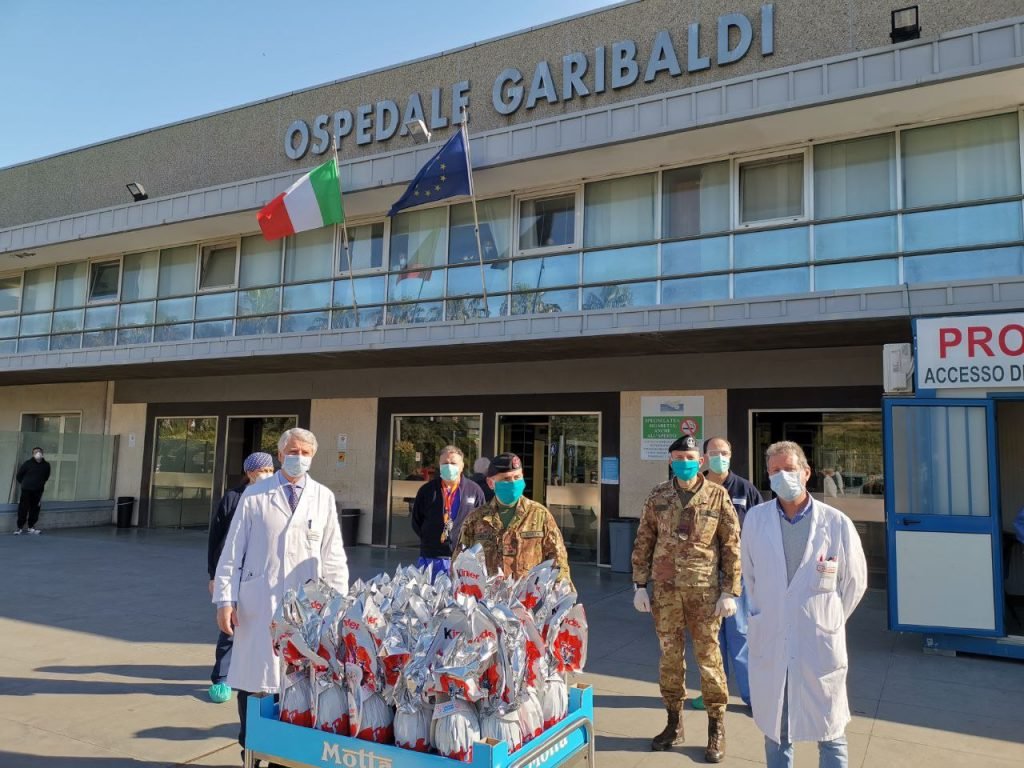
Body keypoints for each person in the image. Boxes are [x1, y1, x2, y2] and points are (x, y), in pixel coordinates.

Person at [213, 428, 349, 763]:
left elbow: (333, 557)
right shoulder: (255, 494)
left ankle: (286, 755)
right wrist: (225, 600)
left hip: (307, 609)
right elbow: (232, 550)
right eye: (292, 450)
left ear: (313, 457)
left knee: (299, 684)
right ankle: (250, 750)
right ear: (279, 453)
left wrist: (339, 606)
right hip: (259, 603)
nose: (298, 457)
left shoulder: (323, 497)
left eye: (305, 452)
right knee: (255, 682)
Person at [742, 441, 867, 768]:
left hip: (819, 640)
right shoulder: (756, 520)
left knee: (831, 729)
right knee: (777, 729)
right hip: (772, 635)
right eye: (775, 471)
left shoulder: (836, 522)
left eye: (789, 469)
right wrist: (771, 613)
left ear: (806, 472)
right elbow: (750, 576)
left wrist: (827, 620)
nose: (783, 476)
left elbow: (854, 583)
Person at [631, 435, 741, 762]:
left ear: (700, 461)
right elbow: (644, 539)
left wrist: (730, 590)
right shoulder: (658, 495)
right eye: (678, 457)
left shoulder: (717, 496)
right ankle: (673, 723)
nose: (684, 462)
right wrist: (639, 584)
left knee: (709, 660)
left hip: (704, 592)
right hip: (665, 592)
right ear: (670, 460)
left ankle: (715, 728)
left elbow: (731, 546)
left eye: (689, 456)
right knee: (669, 657)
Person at [692, 436, 763, 712]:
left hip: (737, 575)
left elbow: (760, 527)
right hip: (702, 575)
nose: (719, 456)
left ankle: (752, 696)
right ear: (704, 457)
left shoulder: (744, 489)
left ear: (731, 455)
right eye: (713, 452)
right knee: (709, 638)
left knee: (740, 634)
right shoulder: (696, 487)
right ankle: (712, 693)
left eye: (724, 452)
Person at [206, 452, 276, 704]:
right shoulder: (233, 498)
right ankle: (221, 678)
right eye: (262, 469)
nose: (267, 473)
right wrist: (214, 574)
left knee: (261, 629)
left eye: (270, 469)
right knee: (230, 628)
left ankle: (258, 676)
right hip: (234, 573)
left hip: (261, 575)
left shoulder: (275, 497)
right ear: (249, 473)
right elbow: (216, 538)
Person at [453, 452, 571, 582]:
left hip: (527, 598)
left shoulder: (540, 515)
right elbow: (460, 563)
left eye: (517, 477)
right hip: (488, 599)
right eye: (506, 479)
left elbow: (559, 562)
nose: (513, 483)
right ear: (491, 483)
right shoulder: (475, 519)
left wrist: (563, 596)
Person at [410, 445, 485, 578]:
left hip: (464, 558)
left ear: (462, 466)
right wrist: (430, 537)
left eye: (453, 463)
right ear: (439, 465)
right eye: (445, 463)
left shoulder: (474, 490)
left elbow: (482, 521)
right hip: (431, 557)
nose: (449, 466)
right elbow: (417, 520)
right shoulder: (427, 490)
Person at [13, 446, 51, 535]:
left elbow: (46, 476)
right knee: (23, 508)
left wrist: (39, 484)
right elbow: (19, 475)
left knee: (35, 509)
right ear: (33, 454)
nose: (38, 453)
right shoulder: (27, 464)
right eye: (35, 452)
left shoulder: (46, 465)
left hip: (38, 491)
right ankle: (19, 527)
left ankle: (31, 527)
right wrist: (25, 484)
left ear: (42, 453)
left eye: (39, 451)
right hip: (26, 490)